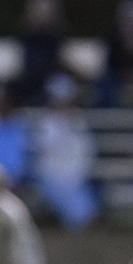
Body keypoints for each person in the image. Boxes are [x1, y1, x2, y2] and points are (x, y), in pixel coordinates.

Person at [34, 73, 100, 229]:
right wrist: (62, 124)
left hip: (76, 178)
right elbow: (44, 148)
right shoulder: (46, 122)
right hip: (51, 177)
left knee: (86, 214)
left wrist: (80, 173)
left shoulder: (78, 121)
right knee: (76, 215)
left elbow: (87, 149)